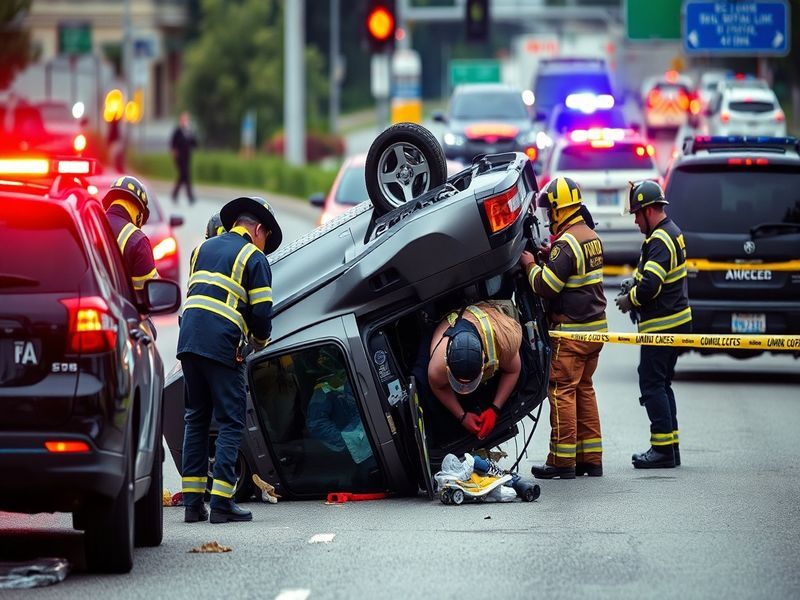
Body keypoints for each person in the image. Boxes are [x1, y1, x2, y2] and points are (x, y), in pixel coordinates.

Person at [178, 196, 282, 524]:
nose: (264, 246)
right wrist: (259, 342)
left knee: (196, 418)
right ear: (259, 229)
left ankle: (193, 504)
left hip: (189, 341)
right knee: (231, 421)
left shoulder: (202, 249)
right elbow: (261, 313)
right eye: (266, 238)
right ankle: (222, 502)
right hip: (222, 344)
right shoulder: (253, 257)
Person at [519, 177, 607, 480]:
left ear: (560, 209)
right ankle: (591, 459)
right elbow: (572, 271)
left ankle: (562, 461)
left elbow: (546, 286)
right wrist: (550, 257)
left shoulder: (567, 243)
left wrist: (530, 264)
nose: (549, 217)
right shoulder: (590, 236)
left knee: (562, 391)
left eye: (551, 211)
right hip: (595, 329)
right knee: (584, 389)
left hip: (572, 332)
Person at [615, 180, 691, 469]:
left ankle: (662, 451)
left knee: (651, 383)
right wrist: (634, 281)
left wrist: (630, 299)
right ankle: (670, 447)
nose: (635, 221)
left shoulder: (660, 239)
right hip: (675, 322)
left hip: (663, 325)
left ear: (648, 210)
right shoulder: (669, 232)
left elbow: (651, 286)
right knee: (661, 383)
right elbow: (654, 275)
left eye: (637, 214)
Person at [427, 301, 523, 440]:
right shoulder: (437, 365)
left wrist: (495, 409)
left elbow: (513, 370)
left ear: (484, 361)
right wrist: (461, 416)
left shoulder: (503, 341)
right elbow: (438, 386)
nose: (464, 389)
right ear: (447, 365)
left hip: (490, 320)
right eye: (460, 383)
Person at [102, 175, 159, 294]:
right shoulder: (138, 240)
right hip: (119, 304)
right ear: (140, 215)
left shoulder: (91, 224)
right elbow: (148, 293)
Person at [170, 111, 197, 204]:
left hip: (187, 157)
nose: (185, 121)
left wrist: (192, 135)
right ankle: (190, 197)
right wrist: (174, 152)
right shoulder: (177, 131)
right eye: (183, 119)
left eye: (186, 119)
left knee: (183, 177)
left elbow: (194, 143)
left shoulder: (189, 131)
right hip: (179, 157)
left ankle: (174, 194)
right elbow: (173, 143)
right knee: (186, 176)